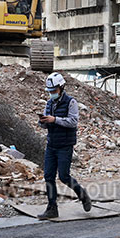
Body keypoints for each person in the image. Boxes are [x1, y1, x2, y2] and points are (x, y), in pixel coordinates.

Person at [36, 72, 92, 219]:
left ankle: (82, 195)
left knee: (64, 176)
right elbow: (46, 124)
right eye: (50, 91)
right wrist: (42, 122)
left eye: (54, 91)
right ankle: (52, 208)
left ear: (61, 87)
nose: (52, 94)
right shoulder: (49, 103)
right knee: (48, 176)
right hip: (51, 144)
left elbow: (73, 121)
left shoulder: (71, 102)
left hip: (65, 145)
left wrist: (55, 119)